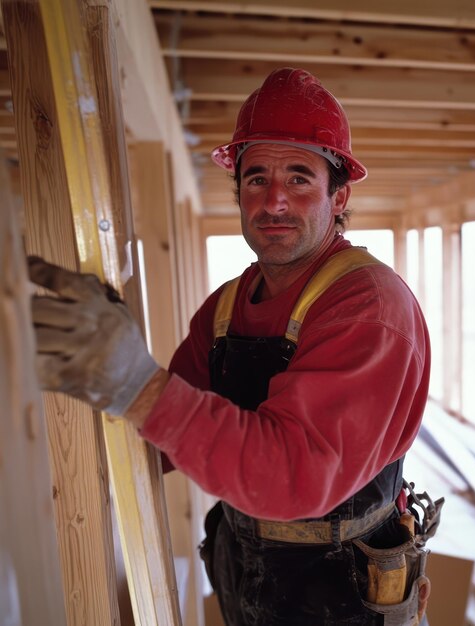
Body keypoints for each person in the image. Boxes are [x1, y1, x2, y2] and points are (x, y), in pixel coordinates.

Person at [28, 68, 437, 625]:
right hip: (246, 573)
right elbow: (166, 439)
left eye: (299, 178)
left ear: (339, 196)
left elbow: (294, 475)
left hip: (342, 594)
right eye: (255, 178)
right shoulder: (225, 308)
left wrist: (135, 385)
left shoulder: (370, 307)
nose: (273, 201)